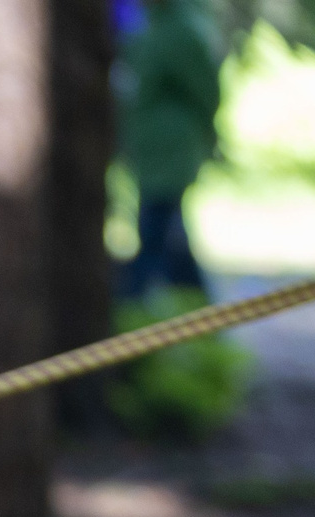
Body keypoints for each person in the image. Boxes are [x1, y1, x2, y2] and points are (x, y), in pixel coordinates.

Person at [119, 0, 224, 302]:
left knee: (155, 234)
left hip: (172, 154)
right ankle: (198, 316)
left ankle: (136, 309)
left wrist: (207, 137)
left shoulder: (183, 27)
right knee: (168, 240)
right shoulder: (149, 23)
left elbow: (206, 91)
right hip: (149, 152)